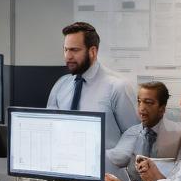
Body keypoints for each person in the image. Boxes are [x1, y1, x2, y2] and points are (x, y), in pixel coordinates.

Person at [46, 21, 137, 153]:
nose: (68, 56)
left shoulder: (118, 87)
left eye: (74, 50)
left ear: (92, 51)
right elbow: (51, 127)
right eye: (66, 49)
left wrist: (110, 159)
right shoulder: (61, 85)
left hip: (106, 170)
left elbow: (133, 135)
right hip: (66, 166)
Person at [107, 82, 181, 181]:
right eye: (139, 102)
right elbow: (114, 160)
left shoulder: (179, 134)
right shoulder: (131, 134)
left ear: (162, 108)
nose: (141, 108)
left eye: (148, 102)